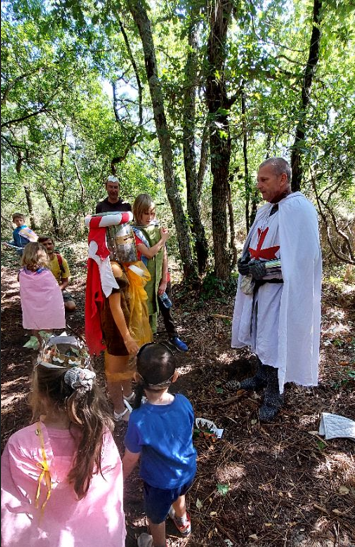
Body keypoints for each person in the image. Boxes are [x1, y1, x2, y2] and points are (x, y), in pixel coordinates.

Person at [1, 335, 126, 547]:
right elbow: (112, 502)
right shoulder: (100, 436)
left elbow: (11, 515)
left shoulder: (20, 445)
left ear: (41, 391)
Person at [231, 157, 322, 422]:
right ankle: (261, 376)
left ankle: (274, 393)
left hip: (282, 292)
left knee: (274, 340)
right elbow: (254, 244)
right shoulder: (266, 210)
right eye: (258, 180)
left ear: (283, 179)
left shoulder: (300, 209)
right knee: (261, 336)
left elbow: (303, 259)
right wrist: (247, 262)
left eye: (264, 180)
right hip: (261, 290)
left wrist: (267, 269)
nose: (259, 186)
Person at [123, 342, 197, 547]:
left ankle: (158, 544)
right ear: (174, 377)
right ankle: (183, 522)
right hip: (186, 471)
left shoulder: (138, 419)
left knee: (155, 518)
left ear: (137, 378)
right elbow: (188, 433)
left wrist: (117, 479)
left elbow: (131, 458)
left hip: (159, 483)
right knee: (179, 494)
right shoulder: (183, 402)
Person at [85, 211, 152, 422]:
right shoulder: (111, 268)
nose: (129, 241)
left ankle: (127, 393)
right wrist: (126, 336)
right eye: (124, 238)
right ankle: (118, 408)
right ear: (111, 241)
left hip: (127, 319)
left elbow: (142, 274)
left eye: (129, 237)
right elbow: (115, 307)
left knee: (127, 362)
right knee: (115, 369)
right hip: (116, 327)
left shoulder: (123, 264)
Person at [132, 194, 188, 352]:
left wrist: (164, 280)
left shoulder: (157, 228)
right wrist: (163, 239)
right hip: (143, 278)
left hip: (161, 276)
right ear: (138, 212)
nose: (149, 217)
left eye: (152, 212)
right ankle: (147, 344)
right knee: (145, 311)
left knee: (166, 308)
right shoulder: (133, 232)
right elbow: (149, 253)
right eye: (145, 213)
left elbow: (163, 254)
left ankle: (173, 336)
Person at [19, 242, 66, 338]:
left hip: (31, 306)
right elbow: (54, 291)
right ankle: (46, 347)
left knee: (34, 323)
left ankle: (40, 345)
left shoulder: (21, 273)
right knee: (47, 323)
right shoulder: (46, 273)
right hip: (47, 306)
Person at [38, 236, 76, 312]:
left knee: (71, 306)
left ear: (53, 245)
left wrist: (57, 289)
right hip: (41, 291)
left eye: (49, 244)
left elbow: (65, 281)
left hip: (57, 288)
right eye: (44, 244)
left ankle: (53, 304)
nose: (47, 246)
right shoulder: (36, 261)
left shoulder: (60, 260)